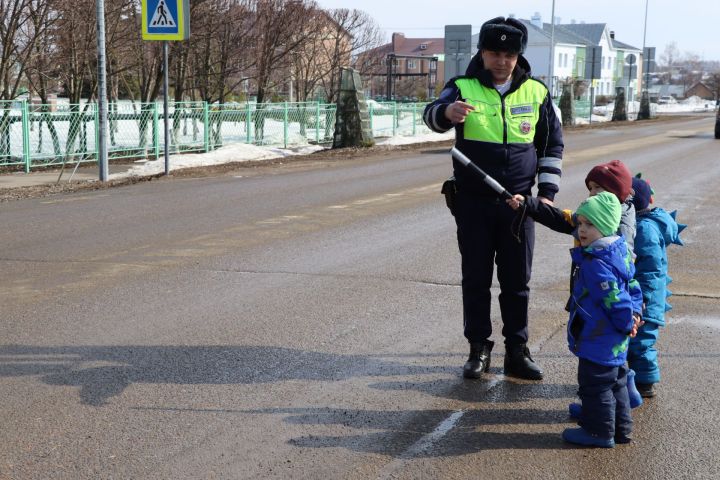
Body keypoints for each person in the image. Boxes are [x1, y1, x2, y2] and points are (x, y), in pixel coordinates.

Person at [423, 17, 563, 380]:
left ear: (518, 56)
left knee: (517, 282)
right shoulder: (461, 86)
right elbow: (431, 116)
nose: (501, 60)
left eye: (509, 54)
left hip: (520, 205)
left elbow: (551, 146)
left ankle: (517, 351)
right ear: (482, 53)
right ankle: (478, 349)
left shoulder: (536, 92)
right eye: (494, 52)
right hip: (473, 203)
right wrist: (446, 113)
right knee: (476, 278)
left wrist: (546, 195)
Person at [561, 192, 643, 448]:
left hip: (600, 338)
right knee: (616, 382)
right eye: (580, 223)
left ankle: (598, 431)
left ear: (606, 226)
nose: (581, 230)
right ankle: (621, 429)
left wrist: (627, 321)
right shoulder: (618, 251)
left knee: (595, 386)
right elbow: (634, 287)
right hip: (614, 339)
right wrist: (636, 313)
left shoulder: (597, 264)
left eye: (589, 225)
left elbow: (615, 299)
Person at [628, 176, 686, 398]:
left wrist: (643, 298)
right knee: (634, 339)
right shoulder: (640, 224)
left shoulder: (645, 229)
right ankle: (633, 377)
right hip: (641, 295)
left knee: (642, 342)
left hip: (647, 298)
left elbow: (650, 270)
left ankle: (645, 381)